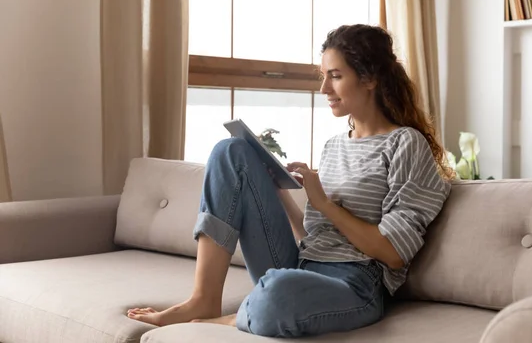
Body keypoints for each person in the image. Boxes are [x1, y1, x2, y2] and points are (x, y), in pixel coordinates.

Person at [127, 24, 454, 337]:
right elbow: (315, 235)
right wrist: (277, 192)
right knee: (231, 151)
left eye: (336, 76)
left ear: (370, 79)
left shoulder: (405, 144)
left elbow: (394, 252)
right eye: (323, 76)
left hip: (355, 284)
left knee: (279, 292)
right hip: (303, 264)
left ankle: (234, 318)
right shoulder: (335, 145)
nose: (324, 88)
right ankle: (204, 298)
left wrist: (324, 203)